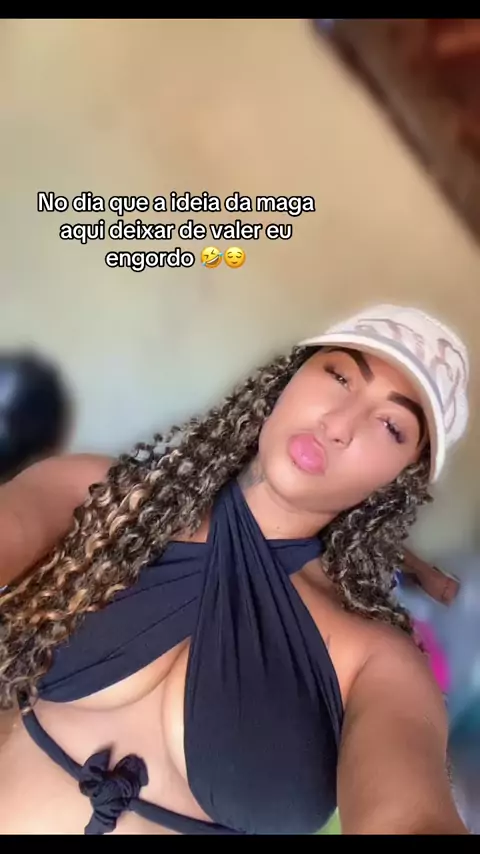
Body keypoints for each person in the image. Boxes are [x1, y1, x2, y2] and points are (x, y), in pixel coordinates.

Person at [0, 304, 471, 835]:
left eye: (390, 425)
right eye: (339, 376)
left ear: (400, 480)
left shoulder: (377, 660)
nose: (339, 425)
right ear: (289, 378)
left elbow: (409, 814)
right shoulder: (102, 501)